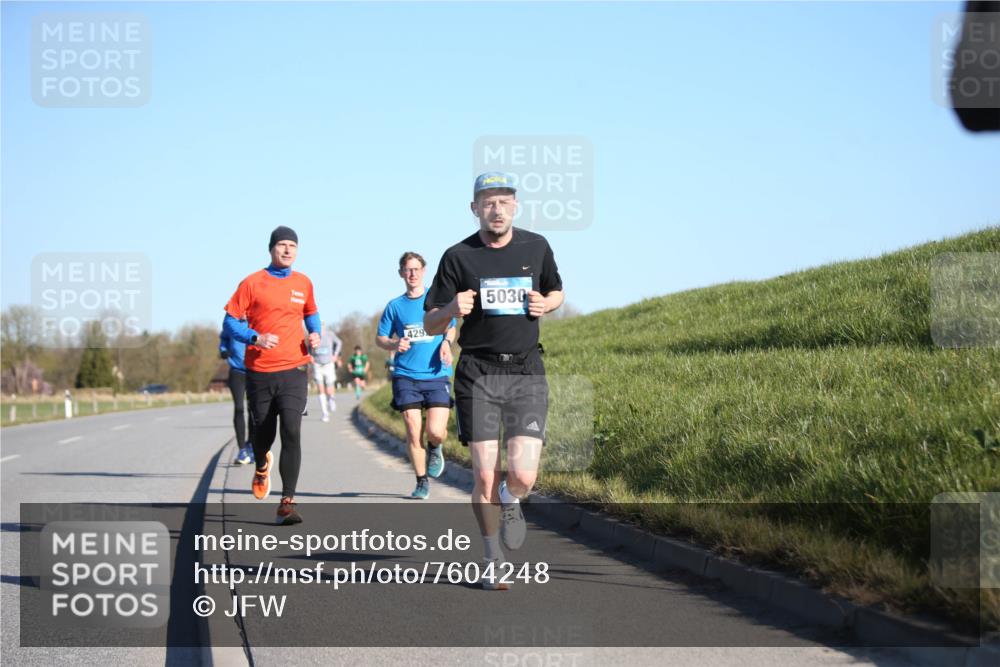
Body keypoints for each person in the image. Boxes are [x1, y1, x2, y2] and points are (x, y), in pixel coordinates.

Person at [424, 172, 564, 589]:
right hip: (478, 372)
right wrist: (451, 307)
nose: (496, 208)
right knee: (484, 475)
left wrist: (547, 304)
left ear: (515, 206)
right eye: (488, 202)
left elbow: (557, 290)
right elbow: (431, 322)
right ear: (475, 209)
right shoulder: (457, 257)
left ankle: (512, 500)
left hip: (525, 370)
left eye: (504, 201)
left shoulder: (536, 247)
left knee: (522, 475)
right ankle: (492, 557)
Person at [223, 226, 321, 526]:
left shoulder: (303, 282)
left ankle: (287, 502)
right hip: (260, 371)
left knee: (291, 429)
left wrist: (316, 332)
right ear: (271, 249)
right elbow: (230, 322)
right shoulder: (252, 283)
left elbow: (311, 313)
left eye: (293, 245)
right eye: (282, 245)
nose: (288, 250)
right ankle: (262, 462)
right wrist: (255, 338)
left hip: (294, 368)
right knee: (263, 432)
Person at [376, 251, 456, 500]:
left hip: (436, 373)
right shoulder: (395, 306)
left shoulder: (437, 299)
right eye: (407, 269)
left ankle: (435, 446)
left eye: (416, 269)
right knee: (413, 429)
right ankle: (422, 482)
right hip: (406, 375)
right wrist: (393, 345)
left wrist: (446, 344)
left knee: (435, 430)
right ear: (401, 273)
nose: (412, 274)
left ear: (424, 271)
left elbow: (451, 328)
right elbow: (380, 338)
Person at [219, 325, 256, 465]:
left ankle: (251, 445)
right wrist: (223, 350)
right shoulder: (231, 323)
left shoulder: (254, 319)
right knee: (239, 408)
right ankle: (242, 450)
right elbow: (223, 339)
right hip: (236, 371)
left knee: (253, 410)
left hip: (254, 371)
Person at [311, 322, 343, 422]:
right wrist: (310, 356)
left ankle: (331, 399)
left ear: (324, 326)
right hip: (317, 365)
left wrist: (335, 355)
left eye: (322, 326)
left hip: (329, 364)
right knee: (320, 389)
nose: (320, 328)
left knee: (329, 389)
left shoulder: (330, 334)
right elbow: (308, 348)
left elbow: (339, 343)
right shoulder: (313, 335)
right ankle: (325, 413)